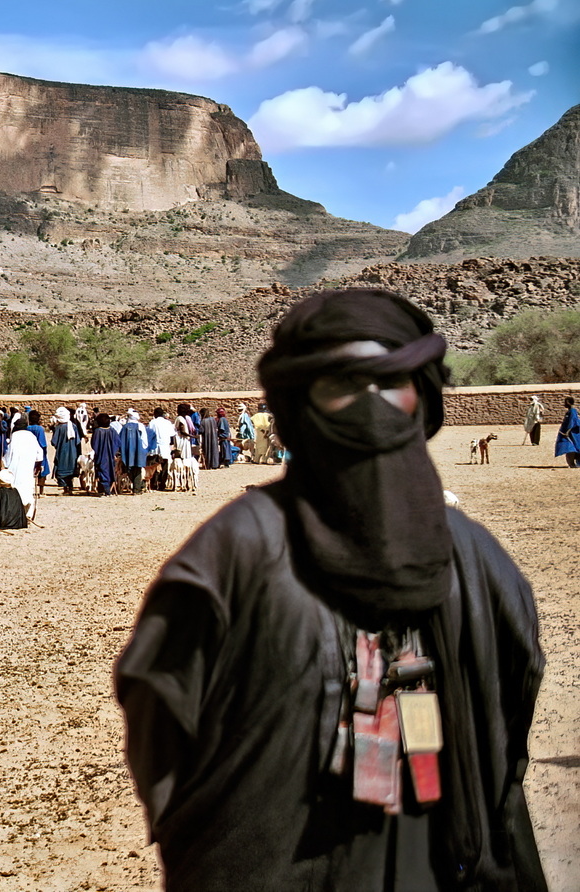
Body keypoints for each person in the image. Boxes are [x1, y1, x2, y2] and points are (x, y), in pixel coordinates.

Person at [116, 288, 546, 892]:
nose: (370, 404)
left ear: (421, 397)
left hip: (450, 855)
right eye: (344, 384)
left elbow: (513, 689)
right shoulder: (237, 553)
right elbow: (161, 712)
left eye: (389, 382)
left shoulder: (474, 557)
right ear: (302, 404)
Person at [4, 416, 44, 519]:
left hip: (14, 469)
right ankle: (28, 515)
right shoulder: (31, 436)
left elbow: (8, 453)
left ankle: (15, 514)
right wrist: (37, 467)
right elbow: (40, 453)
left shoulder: (14, 436)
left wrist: (6, 465)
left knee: (15, 489)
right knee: (28, 489)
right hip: (28, 468)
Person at [118, 410, 149, 494]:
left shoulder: (124, 427)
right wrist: (144, 450)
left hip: (127, 451)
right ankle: (137, 488)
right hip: (138, 450)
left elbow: (120, 439)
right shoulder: (140, 426)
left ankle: (138, 486)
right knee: (137, 469)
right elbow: (144, 440)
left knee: (129, 468)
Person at [51, 407, 81, 494]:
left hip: (61, 452)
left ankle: (64, 487)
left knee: (61, 468)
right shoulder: (73, 426)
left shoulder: (59, 428)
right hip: (73, 452)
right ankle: (70, 486)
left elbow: (54, 442)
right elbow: (77, 441)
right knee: (71, 468)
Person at [91, 413, 120, 495]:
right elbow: (118, 443)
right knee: (109, 471)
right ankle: (106, 489)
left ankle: (106, 490)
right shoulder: (112, 431)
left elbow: (94, 444)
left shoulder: (97, 432)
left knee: (102, 470)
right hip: (111, 455)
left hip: (101, 455)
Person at [148, 408, 176, 491]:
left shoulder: (152, 423)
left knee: (153, 466)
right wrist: (171, 446)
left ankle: (154, 484)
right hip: (165, 447)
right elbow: (172, 436)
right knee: (164, 467)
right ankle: (162, 484)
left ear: (155, 414)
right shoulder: (168, 423)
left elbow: (149, 435)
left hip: (155, 447)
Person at [554, 396, 580, 467]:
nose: (564, 404)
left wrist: (567, 431)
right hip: (567, 433)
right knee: (568, 447)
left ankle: (572, 464)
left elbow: (572, 421)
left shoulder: (572, 411)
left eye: (565, 402)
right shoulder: (569, 411)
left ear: (568, 402)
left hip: (572, 434)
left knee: (570, 447)